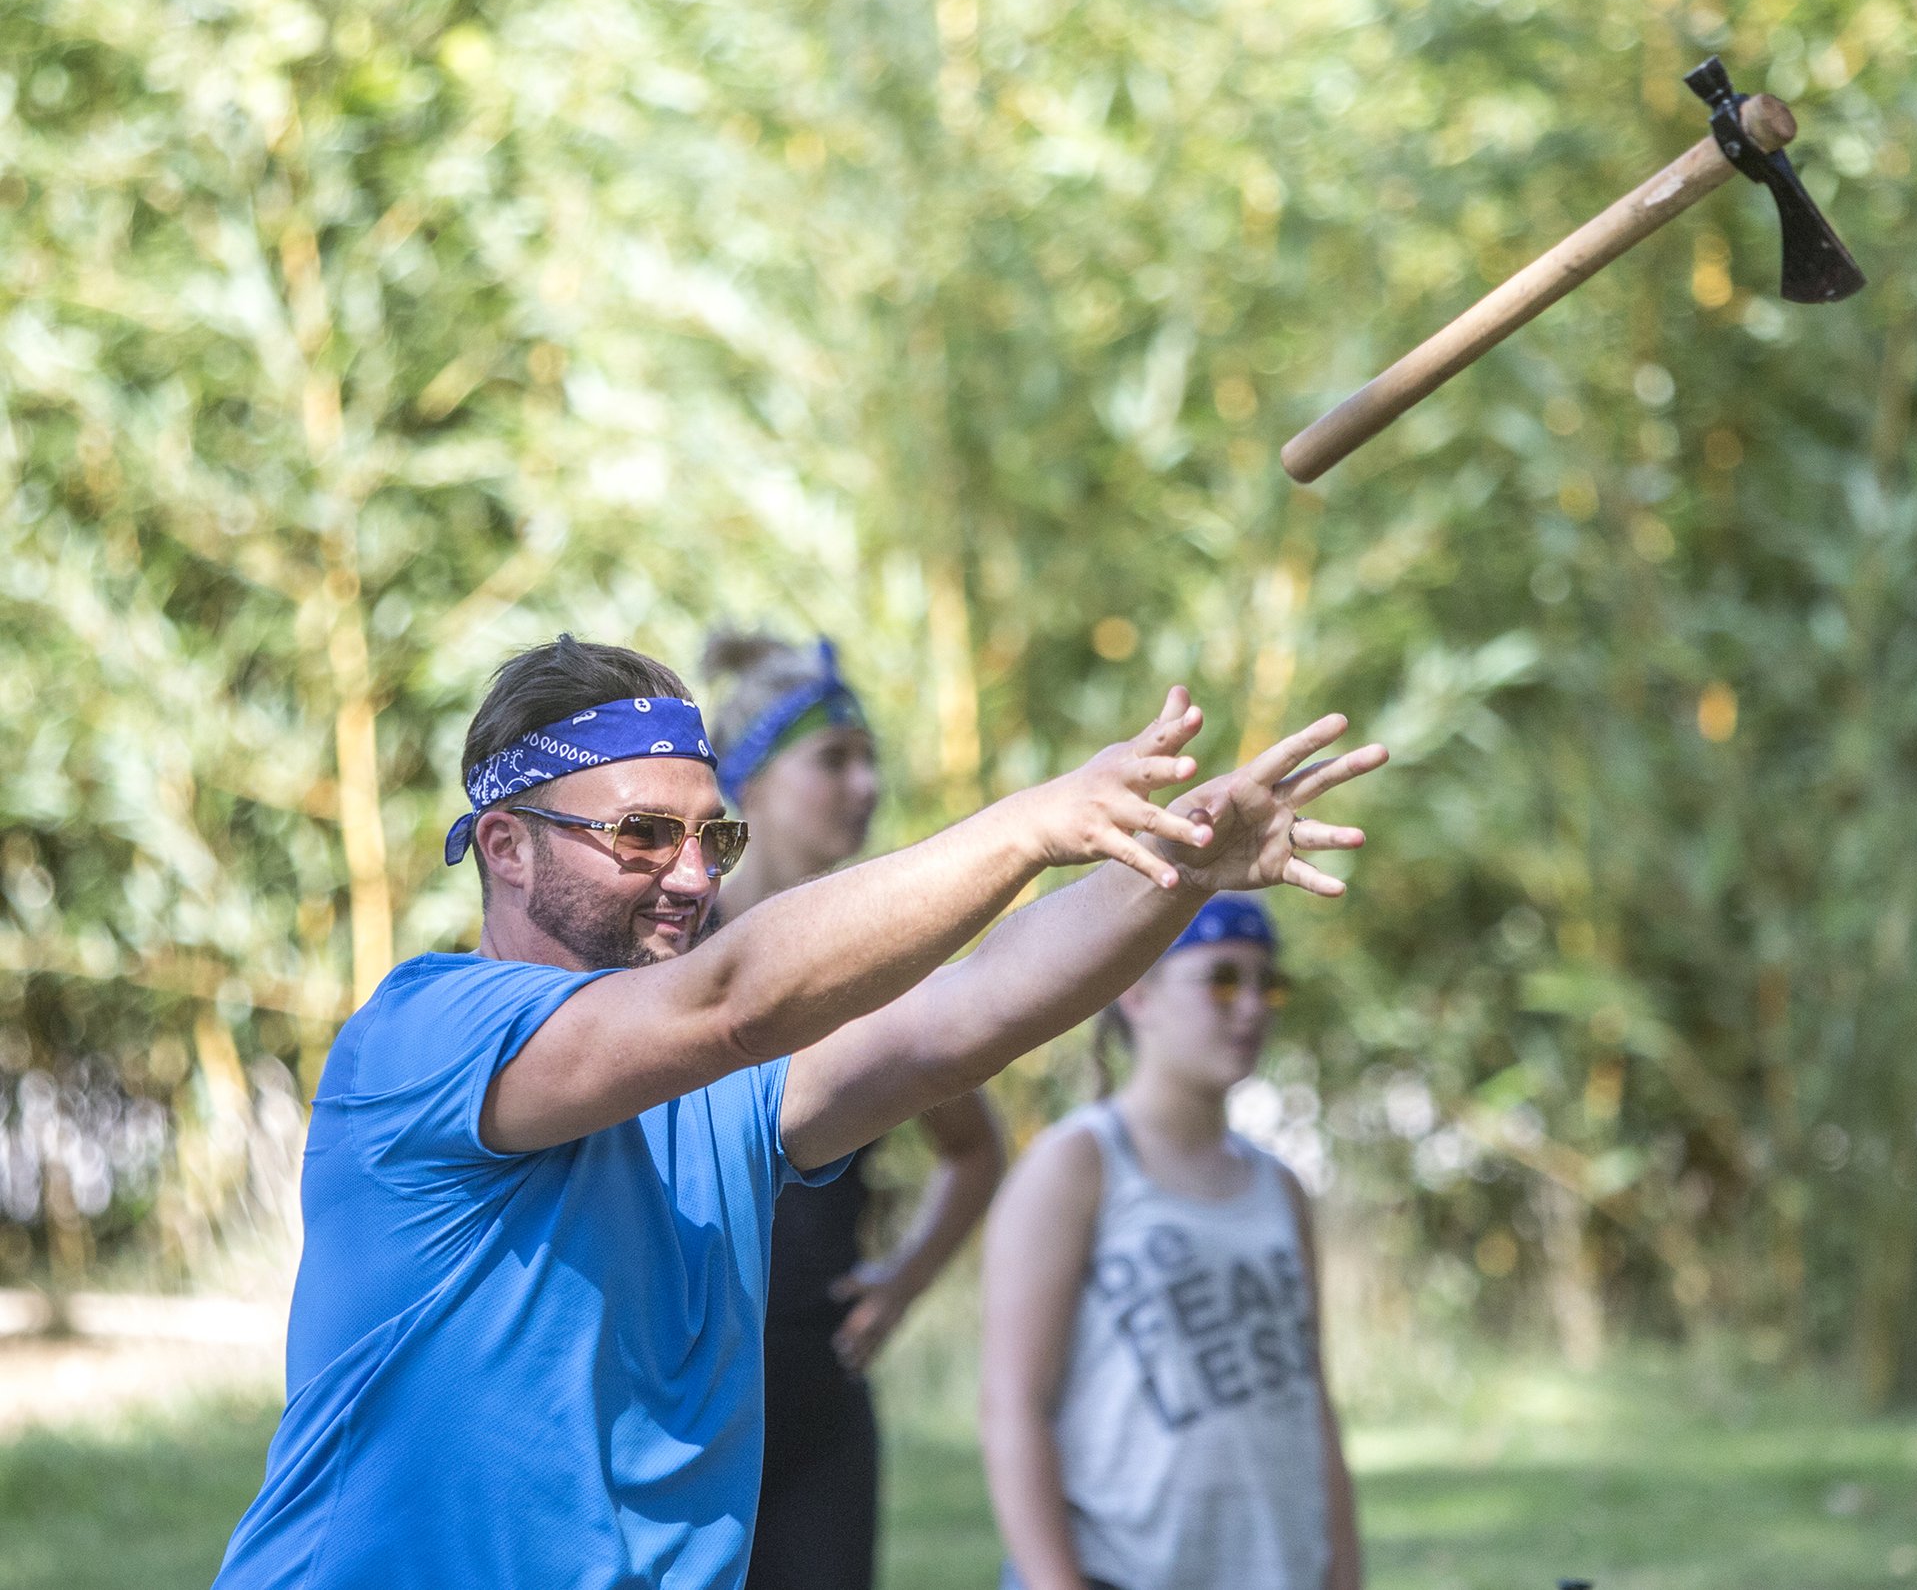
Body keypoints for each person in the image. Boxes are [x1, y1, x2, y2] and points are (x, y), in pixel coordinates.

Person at [214, 634, 1383, 1590]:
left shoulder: (723, 1095)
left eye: (709, 834)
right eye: (641, 833)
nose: (690, 873)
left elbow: (963, 1013)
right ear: (507, 847)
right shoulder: (428, 1032)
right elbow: (734, 999)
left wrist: (1170, 867)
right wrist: (1030, 823)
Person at [704, 633, 1006, 1590]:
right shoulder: (666, 952)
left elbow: (975, 1150)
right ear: (746, 778)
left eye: (870, 759)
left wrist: (904, 1278)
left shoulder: (874, 969)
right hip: (679, 1382)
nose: (865, 784)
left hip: (818, 1391)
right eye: (834, 759)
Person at [980, 893, 1363, 1590]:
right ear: (1138, 991)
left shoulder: (1281, 1188)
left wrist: (1343, 1571)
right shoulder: (1078, 1164)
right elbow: (1013, 1405)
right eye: (1221, 978)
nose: (1251, 1006)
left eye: (1266, 981)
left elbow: (1312, 1398)